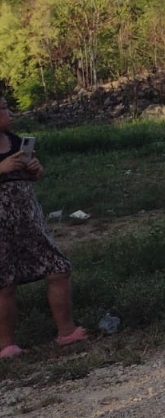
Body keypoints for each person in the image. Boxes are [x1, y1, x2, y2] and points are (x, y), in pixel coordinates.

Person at [0, 96, 88, 358]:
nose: (9, 112)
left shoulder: (14, 140)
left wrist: (35, 170)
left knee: (58, 269)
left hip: (28, 221)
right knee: (4, 283)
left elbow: (29, 176)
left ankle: (67, 331)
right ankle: (6, 346)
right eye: (3, 108)